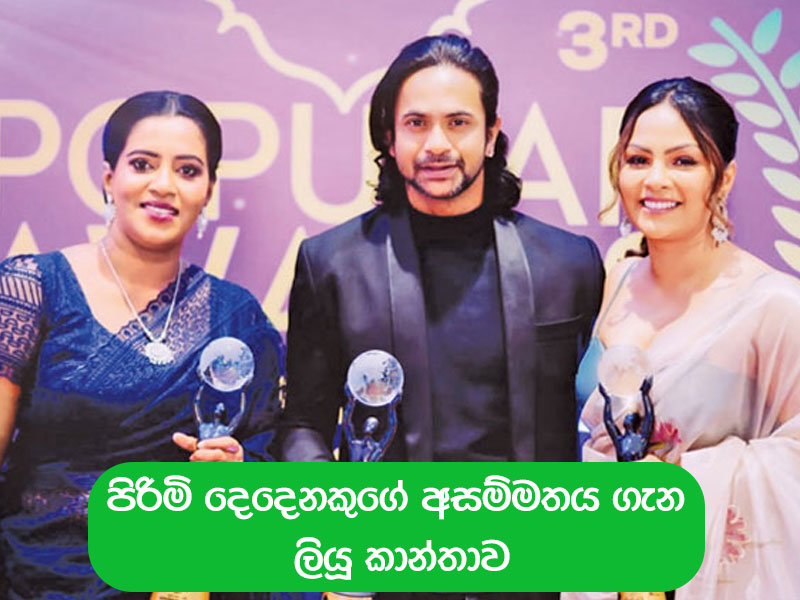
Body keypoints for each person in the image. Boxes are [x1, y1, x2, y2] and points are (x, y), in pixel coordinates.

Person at [278, 33, 604, 599]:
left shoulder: (569, 264)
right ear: (389, 136)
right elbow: (303, 423)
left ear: (491, 133)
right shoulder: (330, 263)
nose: (437, 144)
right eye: (416, 124)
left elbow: (597, 428)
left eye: (458, 123)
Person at [0, 91, 284, 599]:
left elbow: (272, 465)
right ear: (109, 178)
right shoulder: (31, 289)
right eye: (143, 164)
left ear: (209, 191)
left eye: (188, 170)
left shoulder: (237, 317)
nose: (163, 185)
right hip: (35, 576)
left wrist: (237, 472)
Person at [565, 78, 800, 600]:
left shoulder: (774, 305)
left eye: (683, 161)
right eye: (638, 159)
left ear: (724, 177)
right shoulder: (613, 282)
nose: (656, 179)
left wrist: (676, 483)